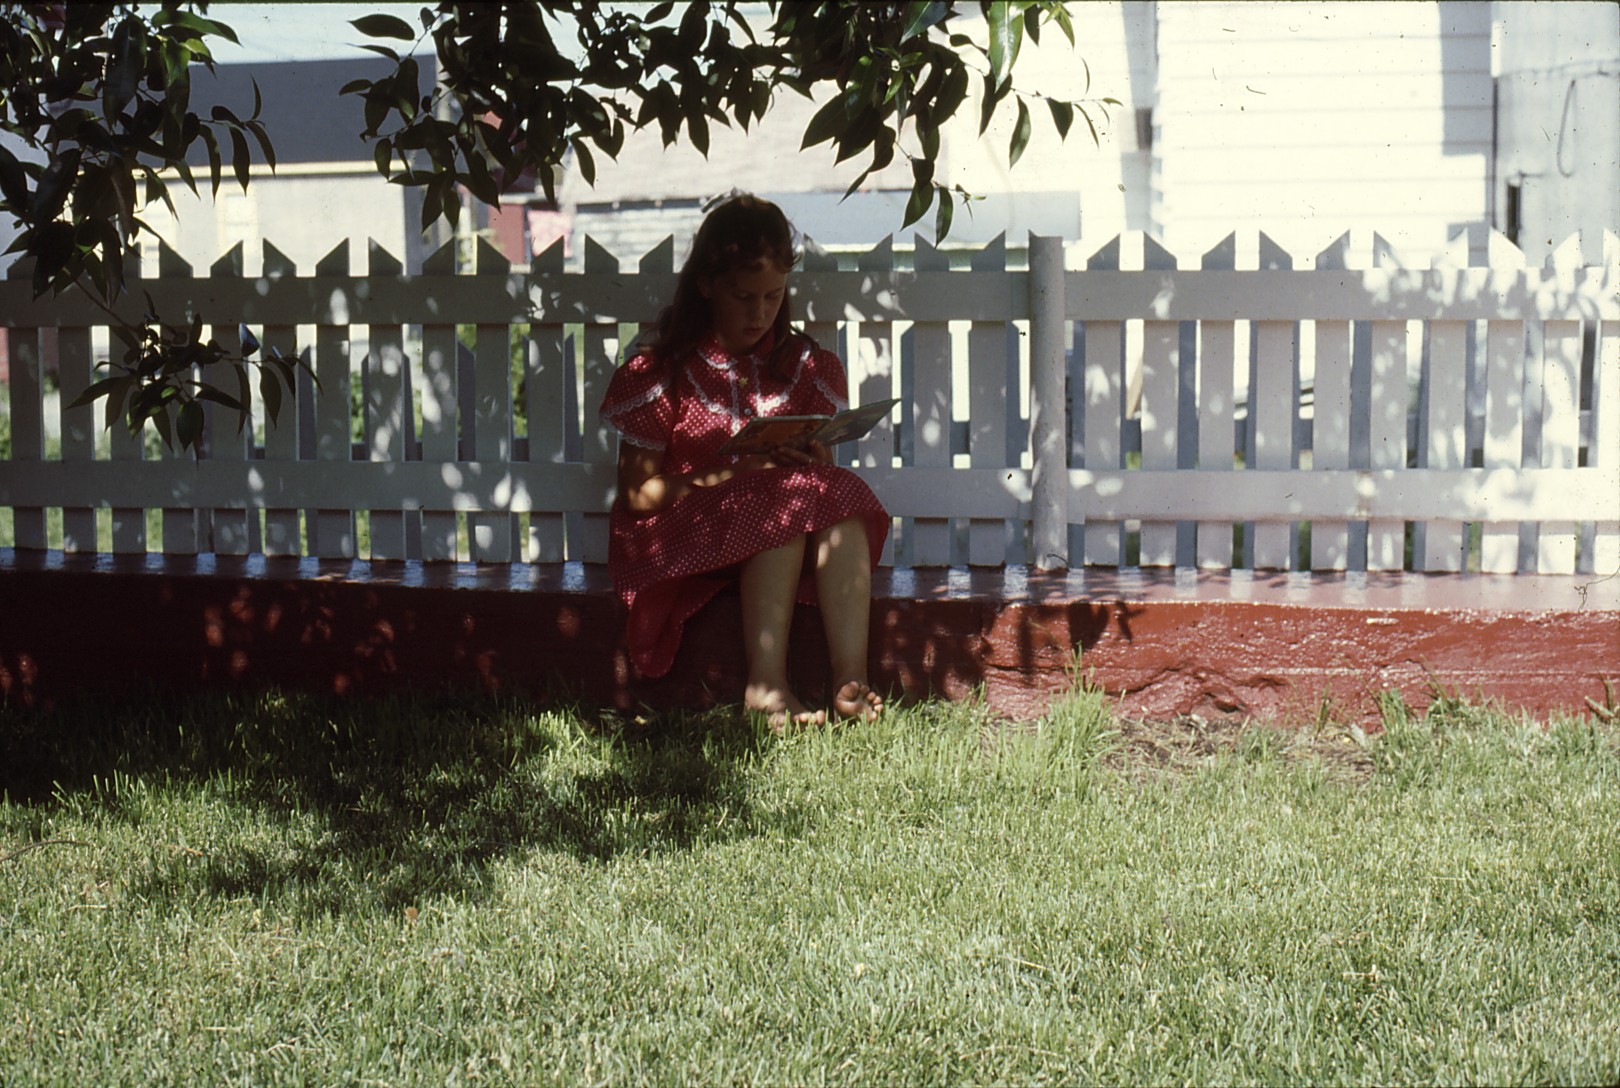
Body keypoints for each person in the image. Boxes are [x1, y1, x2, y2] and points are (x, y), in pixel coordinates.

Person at [599, 193, 889, 728]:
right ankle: (766, 686)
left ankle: (850, 679)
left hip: (770, 530)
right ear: (707, 286)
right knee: (777, 504)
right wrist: (736, 473)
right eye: (743, 297)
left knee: (841, 495)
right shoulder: (663, 370)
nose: (759, 314)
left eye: (773, 297)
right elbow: (638, 496)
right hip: (676, 532)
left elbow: (816, 478)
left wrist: (812, 456)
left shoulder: (801, 364)